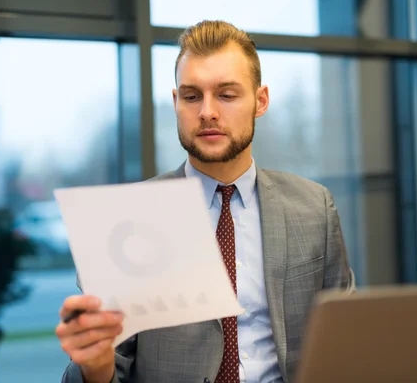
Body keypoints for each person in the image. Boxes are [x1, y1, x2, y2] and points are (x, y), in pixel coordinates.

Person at [56, 20, 355, 383]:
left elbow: (345, 344)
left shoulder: (314, 208)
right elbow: (101, 371)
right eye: (192, 95)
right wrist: (96, 363)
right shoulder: (129, 219)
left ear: (260, 101)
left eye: (227, 95)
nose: (207, 112)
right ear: (175, 102)